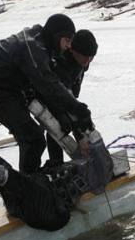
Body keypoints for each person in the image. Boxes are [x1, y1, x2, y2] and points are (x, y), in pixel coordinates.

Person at [0, 14, 95, 174]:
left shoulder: (44, 45)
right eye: (66, 40)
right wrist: (78, 108)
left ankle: (36, 177)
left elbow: (51, 89)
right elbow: (48, 84)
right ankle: (30, 185)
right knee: (32, 137)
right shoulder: (32, 46)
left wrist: (67, 115)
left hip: (15, 89)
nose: (68, 46)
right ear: (57, 35)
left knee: (43, 130)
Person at [42, 29, 98, 167]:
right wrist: (80, 138)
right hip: (46, 94)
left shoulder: (84, 60)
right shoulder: (62, 65)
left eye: (91, 56)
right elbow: (62, 102)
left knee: (75, 116)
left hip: (66, 91)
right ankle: (56, 162)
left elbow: (74, 95)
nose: (87, 60)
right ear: (73, 51)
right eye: (84, 56)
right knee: (57, 124)